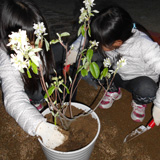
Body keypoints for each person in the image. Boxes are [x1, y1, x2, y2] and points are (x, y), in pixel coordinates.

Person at [66, 5, 160, 125]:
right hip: (117, 72)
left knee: (147, 89)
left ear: (118, 42)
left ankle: (139, 102)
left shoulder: (144, 46)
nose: (97, 44)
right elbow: (87, 33)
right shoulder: (109, 35)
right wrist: (74, 50)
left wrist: (159, 105)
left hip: (139, 79)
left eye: (102, 43)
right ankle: (113, 90)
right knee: (97, 69)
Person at [0, 0, 67, 149]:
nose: (38, 45)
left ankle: (42, 96)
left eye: (39, 37)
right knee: (35, 92)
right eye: (31, 42)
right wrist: (39, 126)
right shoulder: (7, 59)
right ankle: (35, 101)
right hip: (26, 81)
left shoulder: (39, 42)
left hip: (39, 75)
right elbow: (13, 97)